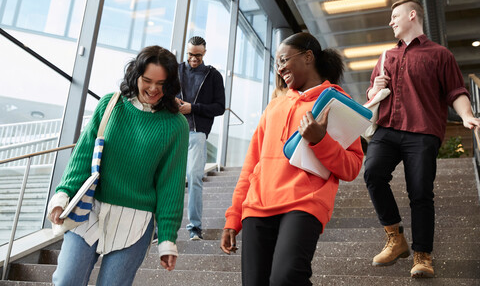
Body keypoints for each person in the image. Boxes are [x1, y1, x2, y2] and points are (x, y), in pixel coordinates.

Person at [220, 32, 364, 286]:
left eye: (284, 60)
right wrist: (233, 216)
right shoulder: (274, 107)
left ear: (308, 57)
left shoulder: (337, 104)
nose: (280, 68)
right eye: (277, 64)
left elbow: (352, 167)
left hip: (304, 203)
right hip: (258, 205)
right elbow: (252, 164)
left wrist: (321, 140)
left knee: (287, 278)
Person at [47, 45, 189, 285]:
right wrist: (63, 195)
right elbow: (82, 157)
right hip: (89, 210)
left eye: (162, 83)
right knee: (66, 280)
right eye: (147, 80)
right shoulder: (110, 105)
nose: (154, 89)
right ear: (136, 76)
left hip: (136, 221)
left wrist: (167, 239)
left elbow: (170, 188)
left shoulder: (176, 125)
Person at [364, 0, 480, 278]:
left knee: (420, 193)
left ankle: (423, 255)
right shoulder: (385, 56)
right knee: (372, 172)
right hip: (387, 128)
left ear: (412, 15)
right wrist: (375, 88)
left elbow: (456, 91)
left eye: (395, 16)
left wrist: (466, 116)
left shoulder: (440, 55)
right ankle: (395, 236)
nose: (391, 22)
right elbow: (371, 96)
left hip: (423, 131)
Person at [176, 36, 225, 240]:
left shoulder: (213, 75)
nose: (193, 59)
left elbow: (219, 108)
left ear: (204, 53)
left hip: (197, 133)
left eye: (197, 55)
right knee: (171, 180)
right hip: (174, 131)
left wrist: (192, 107)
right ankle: (162, 229)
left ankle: (194, 227)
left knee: (194, 178)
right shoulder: (175, 70)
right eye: (190, 54)